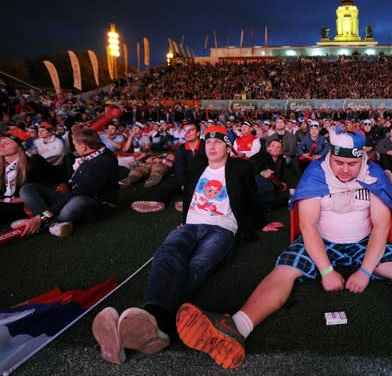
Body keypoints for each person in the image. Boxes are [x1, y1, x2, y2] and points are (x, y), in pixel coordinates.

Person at [173, 130, 392, 373]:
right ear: (330, 157)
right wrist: (326, 271)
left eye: (351, 164)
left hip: (363, 242)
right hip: (321, 241)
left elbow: (381, 228)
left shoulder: (374, 176)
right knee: (283, 272)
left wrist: (365, 270)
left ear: (362, 159)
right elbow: (308, 226)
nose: (343, 170)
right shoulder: (315, 174)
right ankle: (236, 328)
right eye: (338, 163)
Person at [91, 125, 279, 365]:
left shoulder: (239, 168)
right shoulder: (197, 167)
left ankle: (151, 320)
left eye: (218, 142)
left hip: (222, 229)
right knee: (166, 255)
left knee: (197, 266)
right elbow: (188, 195)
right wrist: (183, 221)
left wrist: (261, 223)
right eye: (208, 142)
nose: (211, 146)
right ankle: (150, 326)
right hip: (190, 226)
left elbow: (252, 198)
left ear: (228, 147)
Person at [19, 127, 119, 237]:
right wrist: (66, 186)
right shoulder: (97, 152)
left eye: (75, 145)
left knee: (77, 201)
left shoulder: (101, 163)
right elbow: (74, 187)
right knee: (27, 189)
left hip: (97, 204)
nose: (75, 148)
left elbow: (77, 193)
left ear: (84, 147)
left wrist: (41, 216)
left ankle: (43, 220)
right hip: (74, 196)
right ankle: (53, 224)